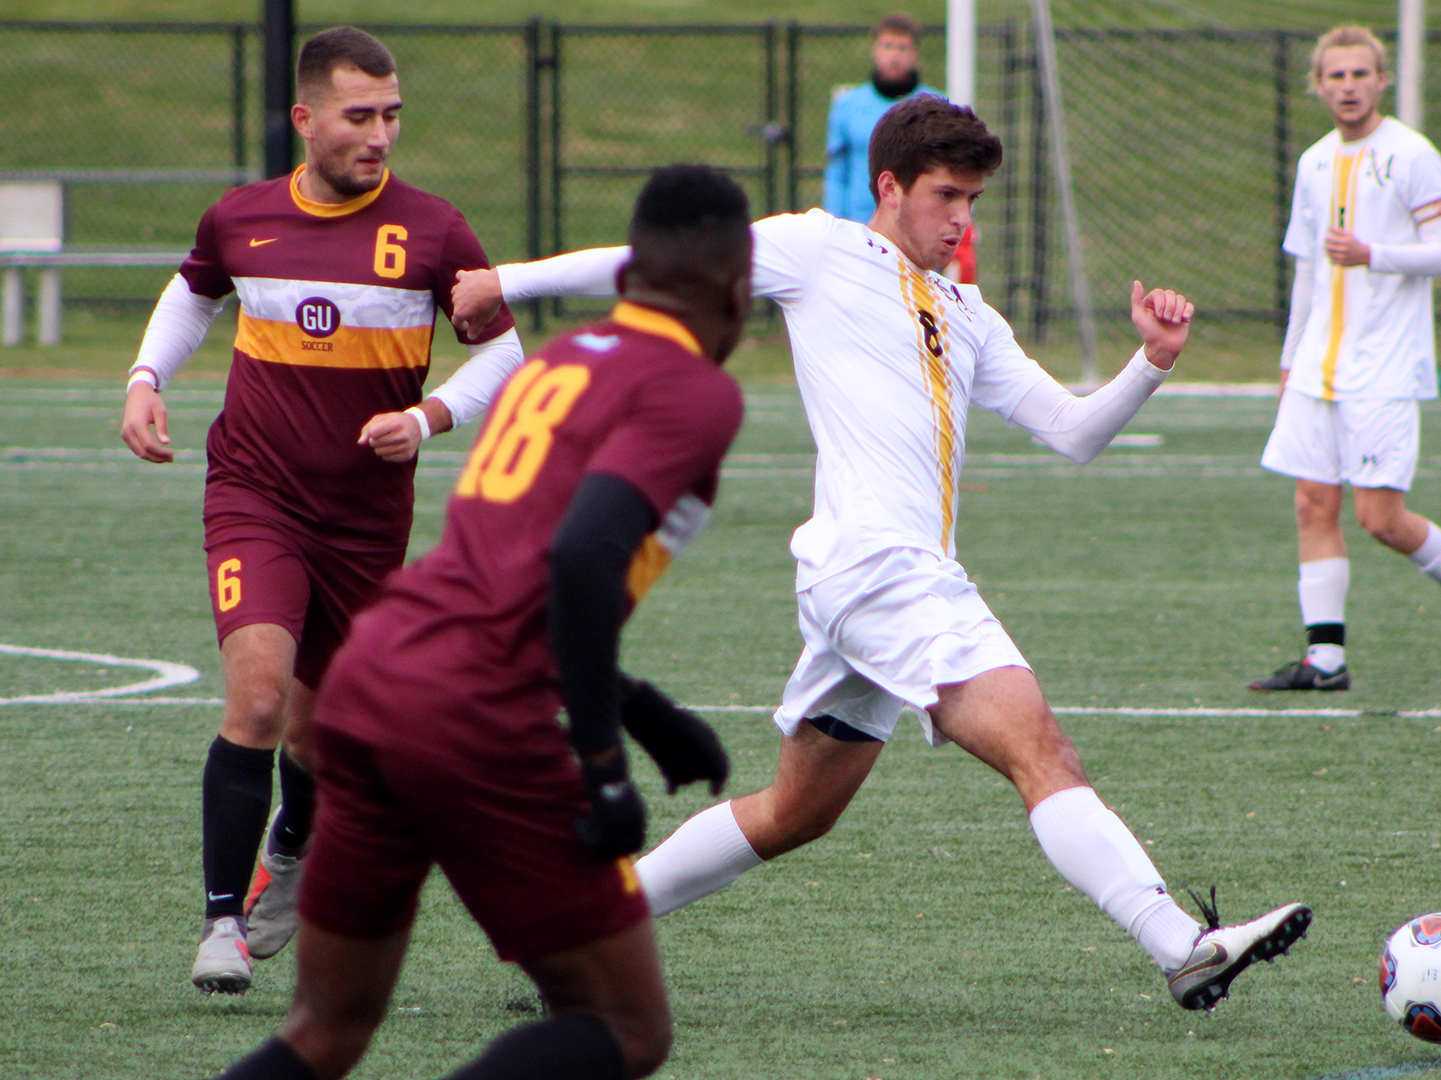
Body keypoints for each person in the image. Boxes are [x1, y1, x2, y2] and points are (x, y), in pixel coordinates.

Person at [452, 96, 1310, 1013]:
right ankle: (1181, 944)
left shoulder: (967, 312)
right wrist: (505, 278)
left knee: (794, 815)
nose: (961, 220)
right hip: (880, 572)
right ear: (890, 185)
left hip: (874, 582)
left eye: (974, 200)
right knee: (1041, 749)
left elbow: (1072, 432)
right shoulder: (819, 249)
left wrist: (1153, 361)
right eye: (947, 196)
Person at [210, 164, 750, 1080]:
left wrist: (636, 704)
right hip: (475, 712)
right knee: (626, 1027)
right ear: (740, 290)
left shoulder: (567, 360)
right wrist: (604, 765)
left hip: (373, 677)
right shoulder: (697, 392)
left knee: (325, 1031)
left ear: (628, 279)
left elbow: (502, 573)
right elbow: (577, 562)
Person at [118, 26, 525, 994]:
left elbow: (505, 351)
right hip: (257, 496)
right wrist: (145, 379)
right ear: (305, 120)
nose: (379, 136)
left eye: (391, 116)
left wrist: (429, 416)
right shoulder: (242, 218)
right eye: (358, 116)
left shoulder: (435, 232)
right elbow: (193, 293)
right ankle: (221, 923)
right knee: (257, 700)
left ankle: (293, 850)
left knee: (322, 739)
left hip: (365, 522)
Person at [1248, 25, 1441, 693]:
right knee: (1311, 504)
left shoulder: (1413, 156)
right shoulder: (1312, 163)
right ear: (1319, 85)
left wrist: (1375, 255)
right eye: (1335, 76)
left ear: (1381, 80)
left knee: (1380, 520)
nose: (1348, 86)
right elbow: (1307, 273)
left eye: (1360, 74)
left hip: (1386, 366)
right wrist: (1288, 362)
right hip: (1318, 368)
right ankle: (1325, 661)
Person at [823, 13, 940, 225]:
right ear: (874, 51)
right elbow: (837, 172)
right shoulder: (847, 105)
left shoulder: (936, 106)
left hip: (915, 227)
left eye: (902, 48)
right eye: (887, 46)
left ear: (915, 54)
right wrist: (833, 222)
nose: (894, 56)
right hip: (859, 226)